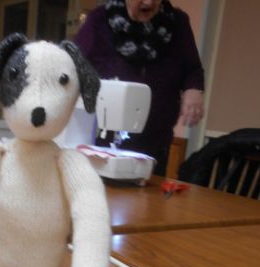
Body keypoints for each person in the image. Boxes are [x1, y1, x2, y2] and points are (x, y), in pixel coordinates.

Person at [74, 0, 205, 176]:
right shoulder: (99, 20)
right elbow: (72, 64)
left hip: (154, 144)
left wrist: (193, 89)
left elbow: (193, 69)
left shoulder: (177, 23)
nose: (149, 2)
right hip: (100, 145)